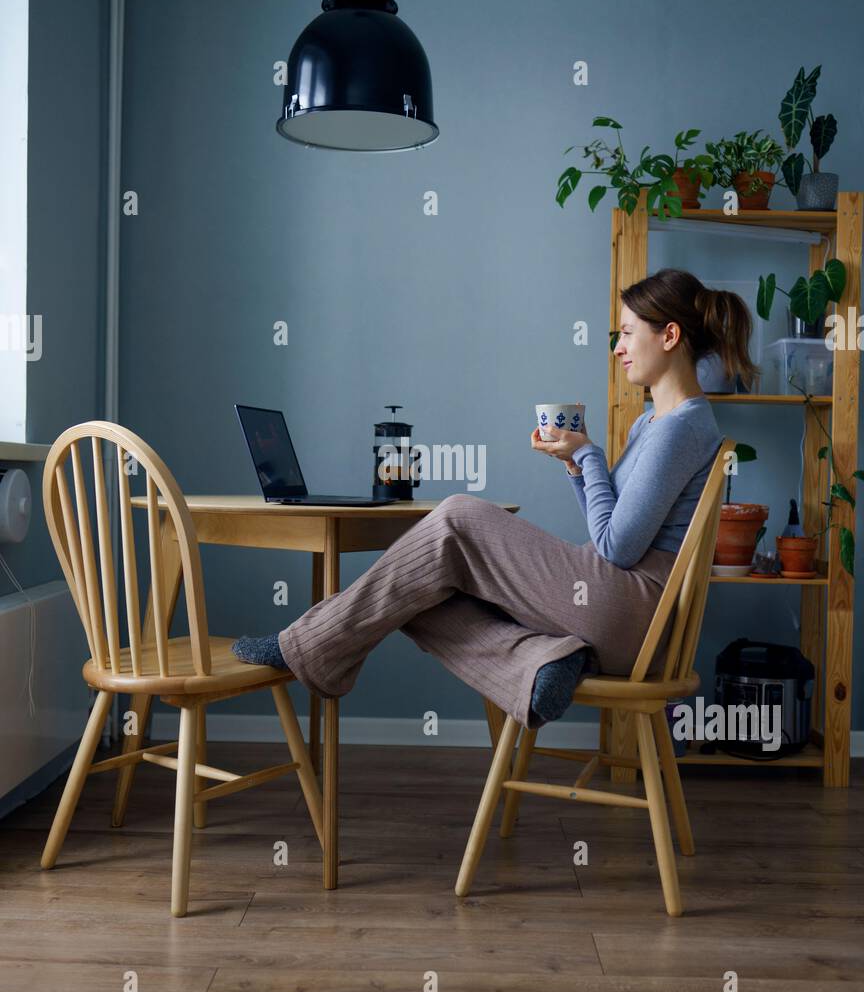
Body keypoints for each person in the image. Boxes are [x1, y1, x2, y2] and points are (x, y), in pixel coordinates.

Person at [233, 268, 757, 729]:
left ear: (669, 335)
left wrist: (591, 456)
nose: (617, 347)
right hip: (621, 603)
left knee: (458, 516)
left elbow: (616, 547)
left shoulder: (679, 428)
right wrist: (576, 464)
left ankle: (303, 646)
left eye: (626, 333)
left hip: (634, 607)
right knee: (417, 590)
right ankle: (542, 664)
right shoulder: (655, 422)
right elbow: (612, 525)